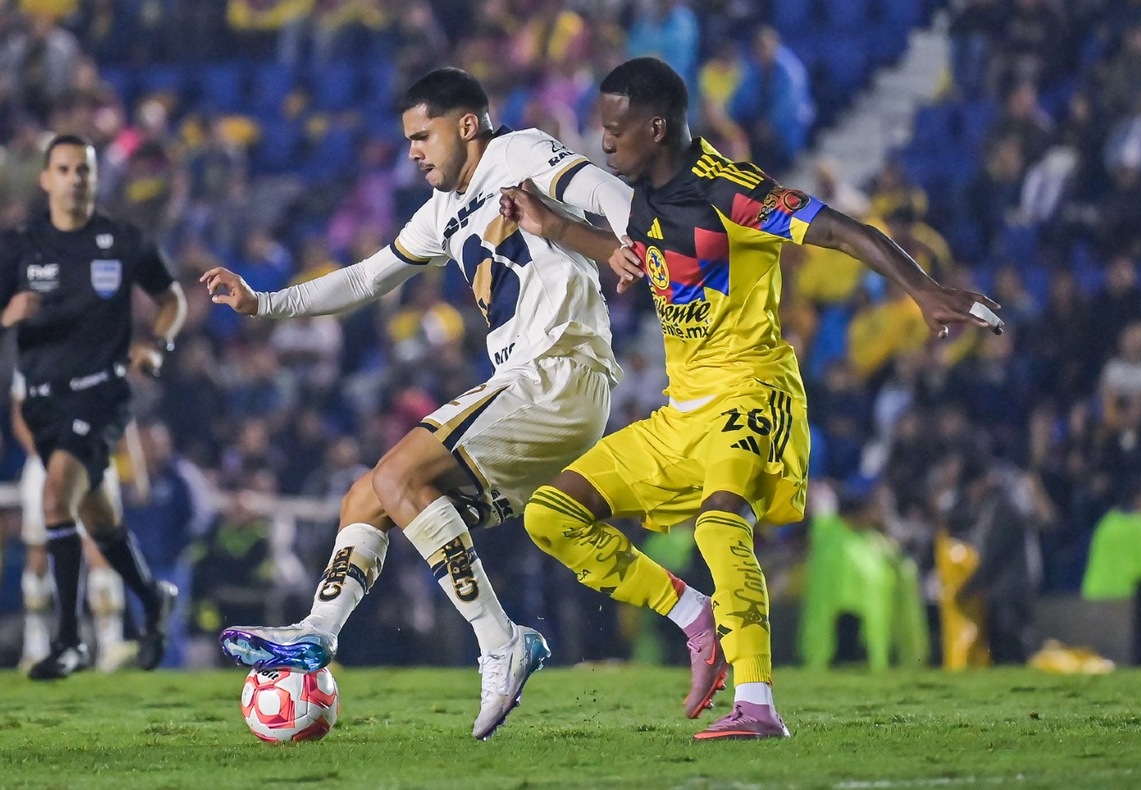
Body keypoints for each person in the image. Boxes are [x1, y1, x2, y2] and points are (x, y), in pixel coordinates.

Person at [202, 68, 722, 740]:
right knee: (370, 496)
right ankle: (316, 634)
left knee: (397, 475)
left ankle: (501, 642)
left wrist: (637, 236)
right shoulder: (445, 209)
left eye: (424, 136)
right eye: (409, 140)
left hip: (558, 375)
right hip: (533, 392)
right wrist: (264, 303)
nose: (414, 151)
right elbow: (368, 278)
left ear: (467, 125)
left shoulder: (521, 153)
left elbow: (596, 187)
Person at [503, 57, 1002, 739]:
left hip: (751, 388)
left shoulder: (725, 191)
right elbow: (637, 249)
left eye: (616, 129)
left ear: (656, 127)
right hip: (683, 413)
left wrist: (922, 289)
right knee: (551, 515)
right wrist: (551, 227)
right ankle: (691, 615)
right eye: (601, 127)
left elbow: (836, 228)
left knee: (717, 524)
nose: (605, 141)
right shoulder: (646, 193)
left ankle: (758, 704)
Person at [0, 133, 186, 680]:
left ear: (96, 178)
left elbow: (171, 297)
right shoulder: (20, 247)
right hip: (40, 401)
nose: (75, 179)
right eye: (64, 169)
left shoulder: (122, 240)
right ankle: (152, 599)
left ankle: (67, 641)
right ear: (45, 178)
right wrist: (8, 315)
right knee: (97, 518)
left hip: (101, 393)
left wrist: (156, 343)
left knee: (57, 498)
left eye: (84, 170)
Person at [15, 376, 149, 674]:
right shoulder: (35, 356)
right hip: (45, 462)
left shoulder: (99, 349)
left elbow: (121, 411)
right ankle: (35, 646)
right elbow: (19, 414)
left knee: (100, 547)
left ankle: (110, 644)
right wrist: (49, 453)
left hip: (93, 456)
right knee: (39, 552)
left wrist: (135, 464)